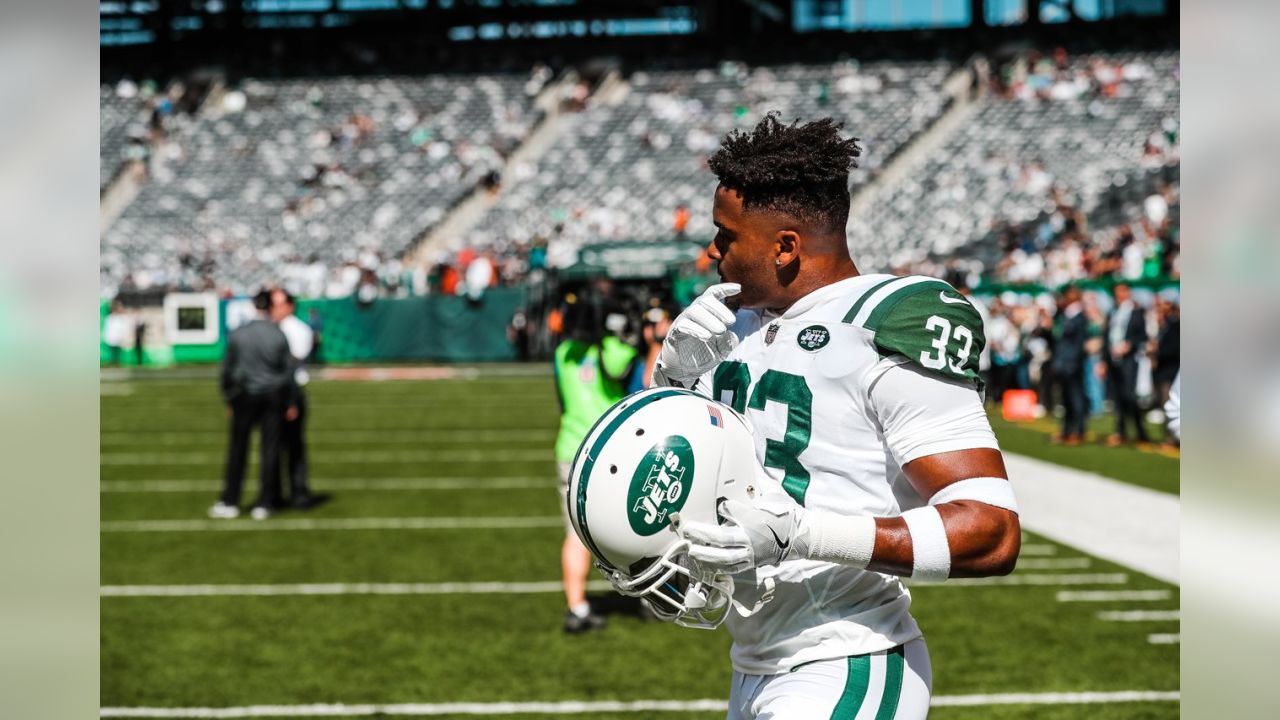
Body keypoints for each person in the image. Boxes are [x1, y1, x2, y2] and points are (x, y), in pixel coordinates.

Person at [649, 114, 1020, 719]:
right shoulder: (729, 328)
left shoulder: (887, 318)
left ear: (786, 246)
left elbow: (991, 531)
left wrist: (803, 533)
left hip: (848, 660)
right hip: (753, 665)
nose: (712, 252)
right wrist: (669, 382)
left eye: (726, 236)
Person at [552, 292, 639, 634]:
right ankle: (649, 595)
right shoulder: (612, 352)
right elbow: (625, 366)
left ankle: (576, 605)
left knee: (575, 534)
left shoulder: (562, 354)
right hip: (608, 451)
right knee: (631, 524)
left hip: (569, 448)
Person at [211, 289, 299, 521]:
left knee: (238, 449)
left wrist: (229, 398)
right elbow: (287, 371)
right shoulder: (277, 334)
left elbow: (227, 371)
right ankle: (265, 502)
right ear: (270, 307)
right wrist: (290, 401)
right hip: (272, 397)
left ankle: (230, 500)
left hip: (244, 396)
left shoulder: (239, 334)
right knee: (269, 450)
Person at [271, 289, 322, 510]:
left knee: (294, 447)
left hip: (291, 391)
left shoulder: (299, 329)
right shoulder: (269, 328)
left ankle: (299, 493)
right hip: (271, 392)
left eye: (279, 304)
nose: (275, 309)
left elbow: (294, 359)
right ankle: (273, 495)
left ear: (290, 306)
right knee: (271, 447)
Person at [1104, 283, 1151, 445]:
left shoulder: (1136, 312)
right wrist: (1104, 360)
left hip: (1129, 359)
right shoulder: (1113, 312)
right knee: (1118, 397)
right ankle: (1121, 431)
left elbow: (1142, 336)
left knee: (1129, 396)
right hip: (1113, 359)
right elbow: (1106, 336)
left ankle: (1140, 431)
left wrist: (1128, 345)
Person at [1052, 285, 1089, 445]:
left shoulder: (1079, 317)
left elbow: (1079, 344)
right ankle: (1066, 430)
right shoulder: (1064, 315)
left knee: (1076, 398)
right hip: (1063, 363)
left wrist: (1073, 362)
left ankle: (1078, 431)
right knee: (1066, 399)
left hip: (1072, 364)